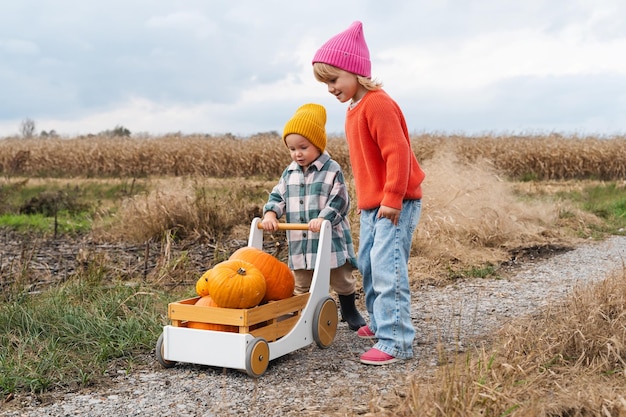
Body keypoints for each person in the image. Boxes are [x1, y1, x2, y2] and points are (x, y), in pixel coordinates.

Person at [312, 21, 426, 365]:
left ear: (355, 70)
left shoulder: (377, 104)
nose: (330, 88)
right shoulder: (353, 110)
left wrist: (391, 198)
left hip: (396, 203)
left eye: (333, 79)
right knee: (370, 266)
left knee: (388, 268)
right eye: (325, 83)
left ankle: (397, 341)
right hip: (373, 205)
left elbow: (398, 153)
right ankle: (380, 323)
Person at [260, 103, 366, 332]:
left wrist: (323, 218)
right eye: (291, 148)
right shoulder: (289, 172)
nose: (297, 153)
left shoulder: (331, 169)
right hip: (301, 241)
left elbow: (340, 200)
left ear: (317, 144)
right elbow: (278, 195)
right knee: (301, 283)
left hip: (329, 240)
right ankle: (302, 319)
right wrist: (271, 213)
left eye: (303, 147)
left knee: (341, 279)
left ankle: (349, 310)